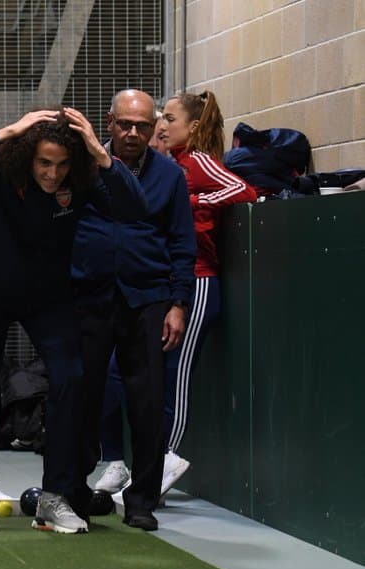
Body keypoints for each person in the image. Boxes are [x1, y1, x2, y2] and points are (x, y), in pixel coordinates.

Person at [0, 106, 147, 535]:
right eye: (44, 163)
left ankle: (55, 496)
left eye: (62, 164)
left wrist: (99, 156)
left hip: (48, 298)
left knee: (70, 379)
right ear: (27, 156)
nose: (53, 174)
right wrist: (7, 131)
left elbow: (134, 209)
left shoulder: (80, 180)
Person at [95, 90, 256, 496]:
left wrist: (197, 201)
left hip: (196, 281)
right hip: (158, 286)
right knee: (120, 375)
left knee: (172, 377)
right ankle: (122, 460)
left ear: (192, 126)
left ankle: (166, 457)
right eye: (159, 119)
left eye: (167, 118)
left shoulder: (195, 163)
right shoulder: (168, 166)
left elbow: (244, 192)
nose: (160, 126)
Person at [72, 89, 196, 531]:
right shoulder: (83, 168)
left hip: (147, 301)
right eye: (125, 123)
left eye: (143, 126)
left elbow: (183, 244)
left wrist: (178, 303)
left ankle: (142, 500)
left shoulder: (169, 175)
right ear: (109, 123)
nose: (133, 132)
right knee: (83, 396)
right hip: (90, 296)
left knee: (146, 403)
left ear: (154, 127)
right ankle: (74, 492)